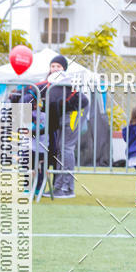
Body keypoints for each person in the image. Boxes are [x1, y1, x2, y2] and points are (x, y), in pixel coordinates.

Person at [45, 54, 89, 199]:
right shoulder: (49, 82)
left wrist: (64, 105)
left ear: (64, 68)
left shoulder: (68, 82)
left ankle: (67, 188)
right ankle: (58, 186)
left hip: (74, 113)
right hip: (62, 116)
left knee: (66, 147)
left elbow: (81, 99)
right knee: (60, 148)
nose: (55, 69)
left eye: (58, 66)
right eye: (53, 66)